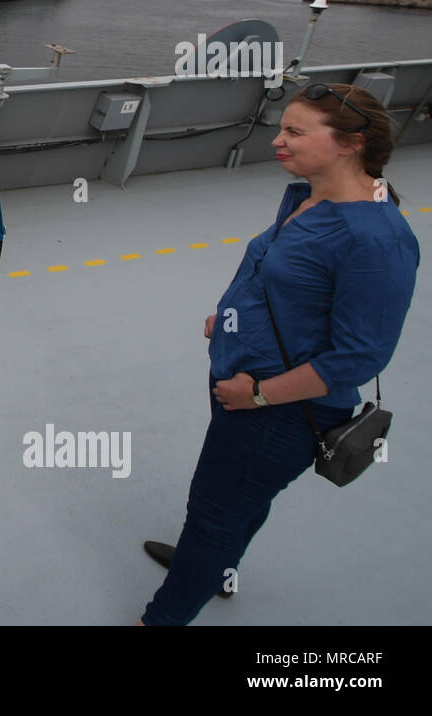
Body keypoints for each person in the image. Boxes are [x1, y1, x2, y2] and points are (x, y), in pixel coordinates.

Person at [140, 83, 419, 625]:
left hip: (277, 412)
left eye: (295, 132)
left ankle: (163, 615)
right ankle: (215, 567)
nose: (278, 141)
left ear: (350, 143)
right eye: (282, 128)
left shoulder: (376, 239)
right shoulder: (307, 196)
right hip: (245, 387)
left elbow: (359, 357)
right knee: (242, 502)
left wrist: (259, 394)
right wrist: (231, 319)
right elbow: (288, 285)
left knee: (212, 518)